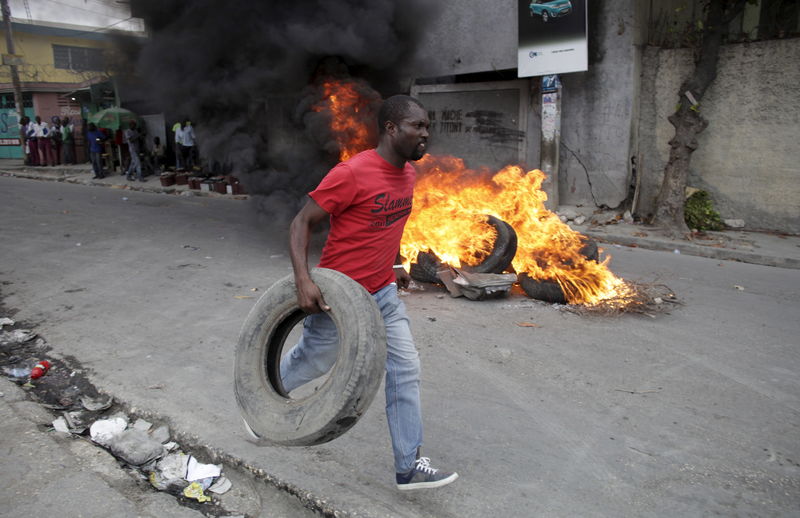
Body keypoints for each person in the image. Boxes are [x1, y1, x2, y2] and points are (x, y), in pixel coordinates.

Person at [279, 95, 458, 491]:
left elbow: (388, 223)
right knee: (314, 361)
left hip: (382, 295)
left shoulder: (408, 174)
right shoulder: (352, 172)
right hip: (338, 297)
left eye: (428, 126)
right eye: (418, 126)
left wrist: (395, 265)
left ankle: (407, 466)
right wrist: (303, 280)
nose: (426, 133)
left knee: (405, 369)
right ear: (392, 129)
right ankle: (264, 396)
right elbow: (301, 221)